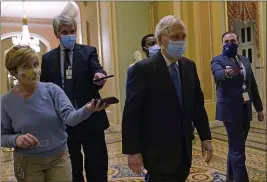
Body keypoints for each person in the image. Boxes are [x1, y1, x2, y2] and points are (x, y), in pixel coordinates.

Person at [122, 15, 213, 182]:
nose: (180, 41)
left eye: (183, 37)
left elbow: (197, 105)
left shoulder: (189, 66)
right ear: (160, 40)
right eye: (175, 37)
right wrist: (132, 151)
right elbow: (131, 113)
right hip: (157, 151)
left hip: (184, 150)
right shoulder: (143, 69)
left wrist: (205, 137)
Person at [1, 45, 109, 182]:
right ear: (14, 72)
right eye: (26, 66)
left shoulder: (53, 90)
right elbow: (2, 136)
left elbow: (70, 118)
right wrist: (16, 139)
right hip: (27, 162)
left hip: (59, 158)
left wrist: (88, 109)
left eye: (36, 64)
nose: (34, 71)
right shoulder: (6, 101)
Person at [40, 15, 109, 182]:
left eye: (72, 31)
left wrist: (100, 76)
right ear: (56, 34)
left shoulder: (88, 51)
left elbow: (96, 69)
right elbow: (44, 88)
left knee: (97, 165)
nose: (70, 35)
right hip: (64, 121)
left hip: (91, 117)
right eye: (65, 32)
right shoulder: (48, 59)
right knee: (71, 168)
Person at [211, 31, 264, 182]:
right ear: (222, 43)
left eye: (232, 40)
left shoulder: (244, 60)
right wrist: (226, 73)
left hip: (245, 109)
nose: (229, 43)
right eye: (226, 41)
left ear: (238, 42)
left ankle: (230, 178)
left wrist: (259, 108)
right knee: (238, 150)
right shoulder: (217, 60)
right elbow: (218, 74)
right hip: (229, 111)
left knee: (236, 147)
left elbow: (252, 85)